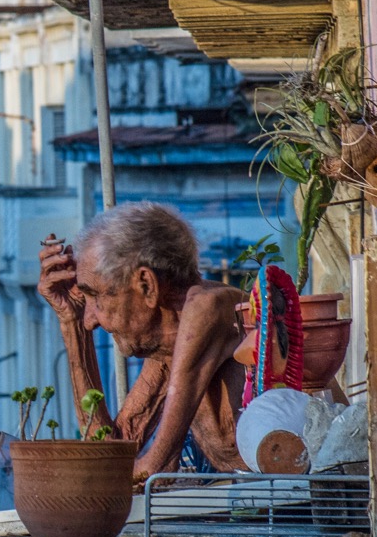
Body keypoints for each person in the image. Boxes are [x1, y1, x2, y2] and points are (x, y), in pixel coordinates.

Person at [37, 202, 248, 482]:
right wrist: (72, 325)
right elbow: (109, 455)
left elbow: (153, 469)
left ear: (146, 285)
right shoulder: (165, 348)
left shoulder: (208, 307)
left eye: (97, 297)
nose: (92, 321)